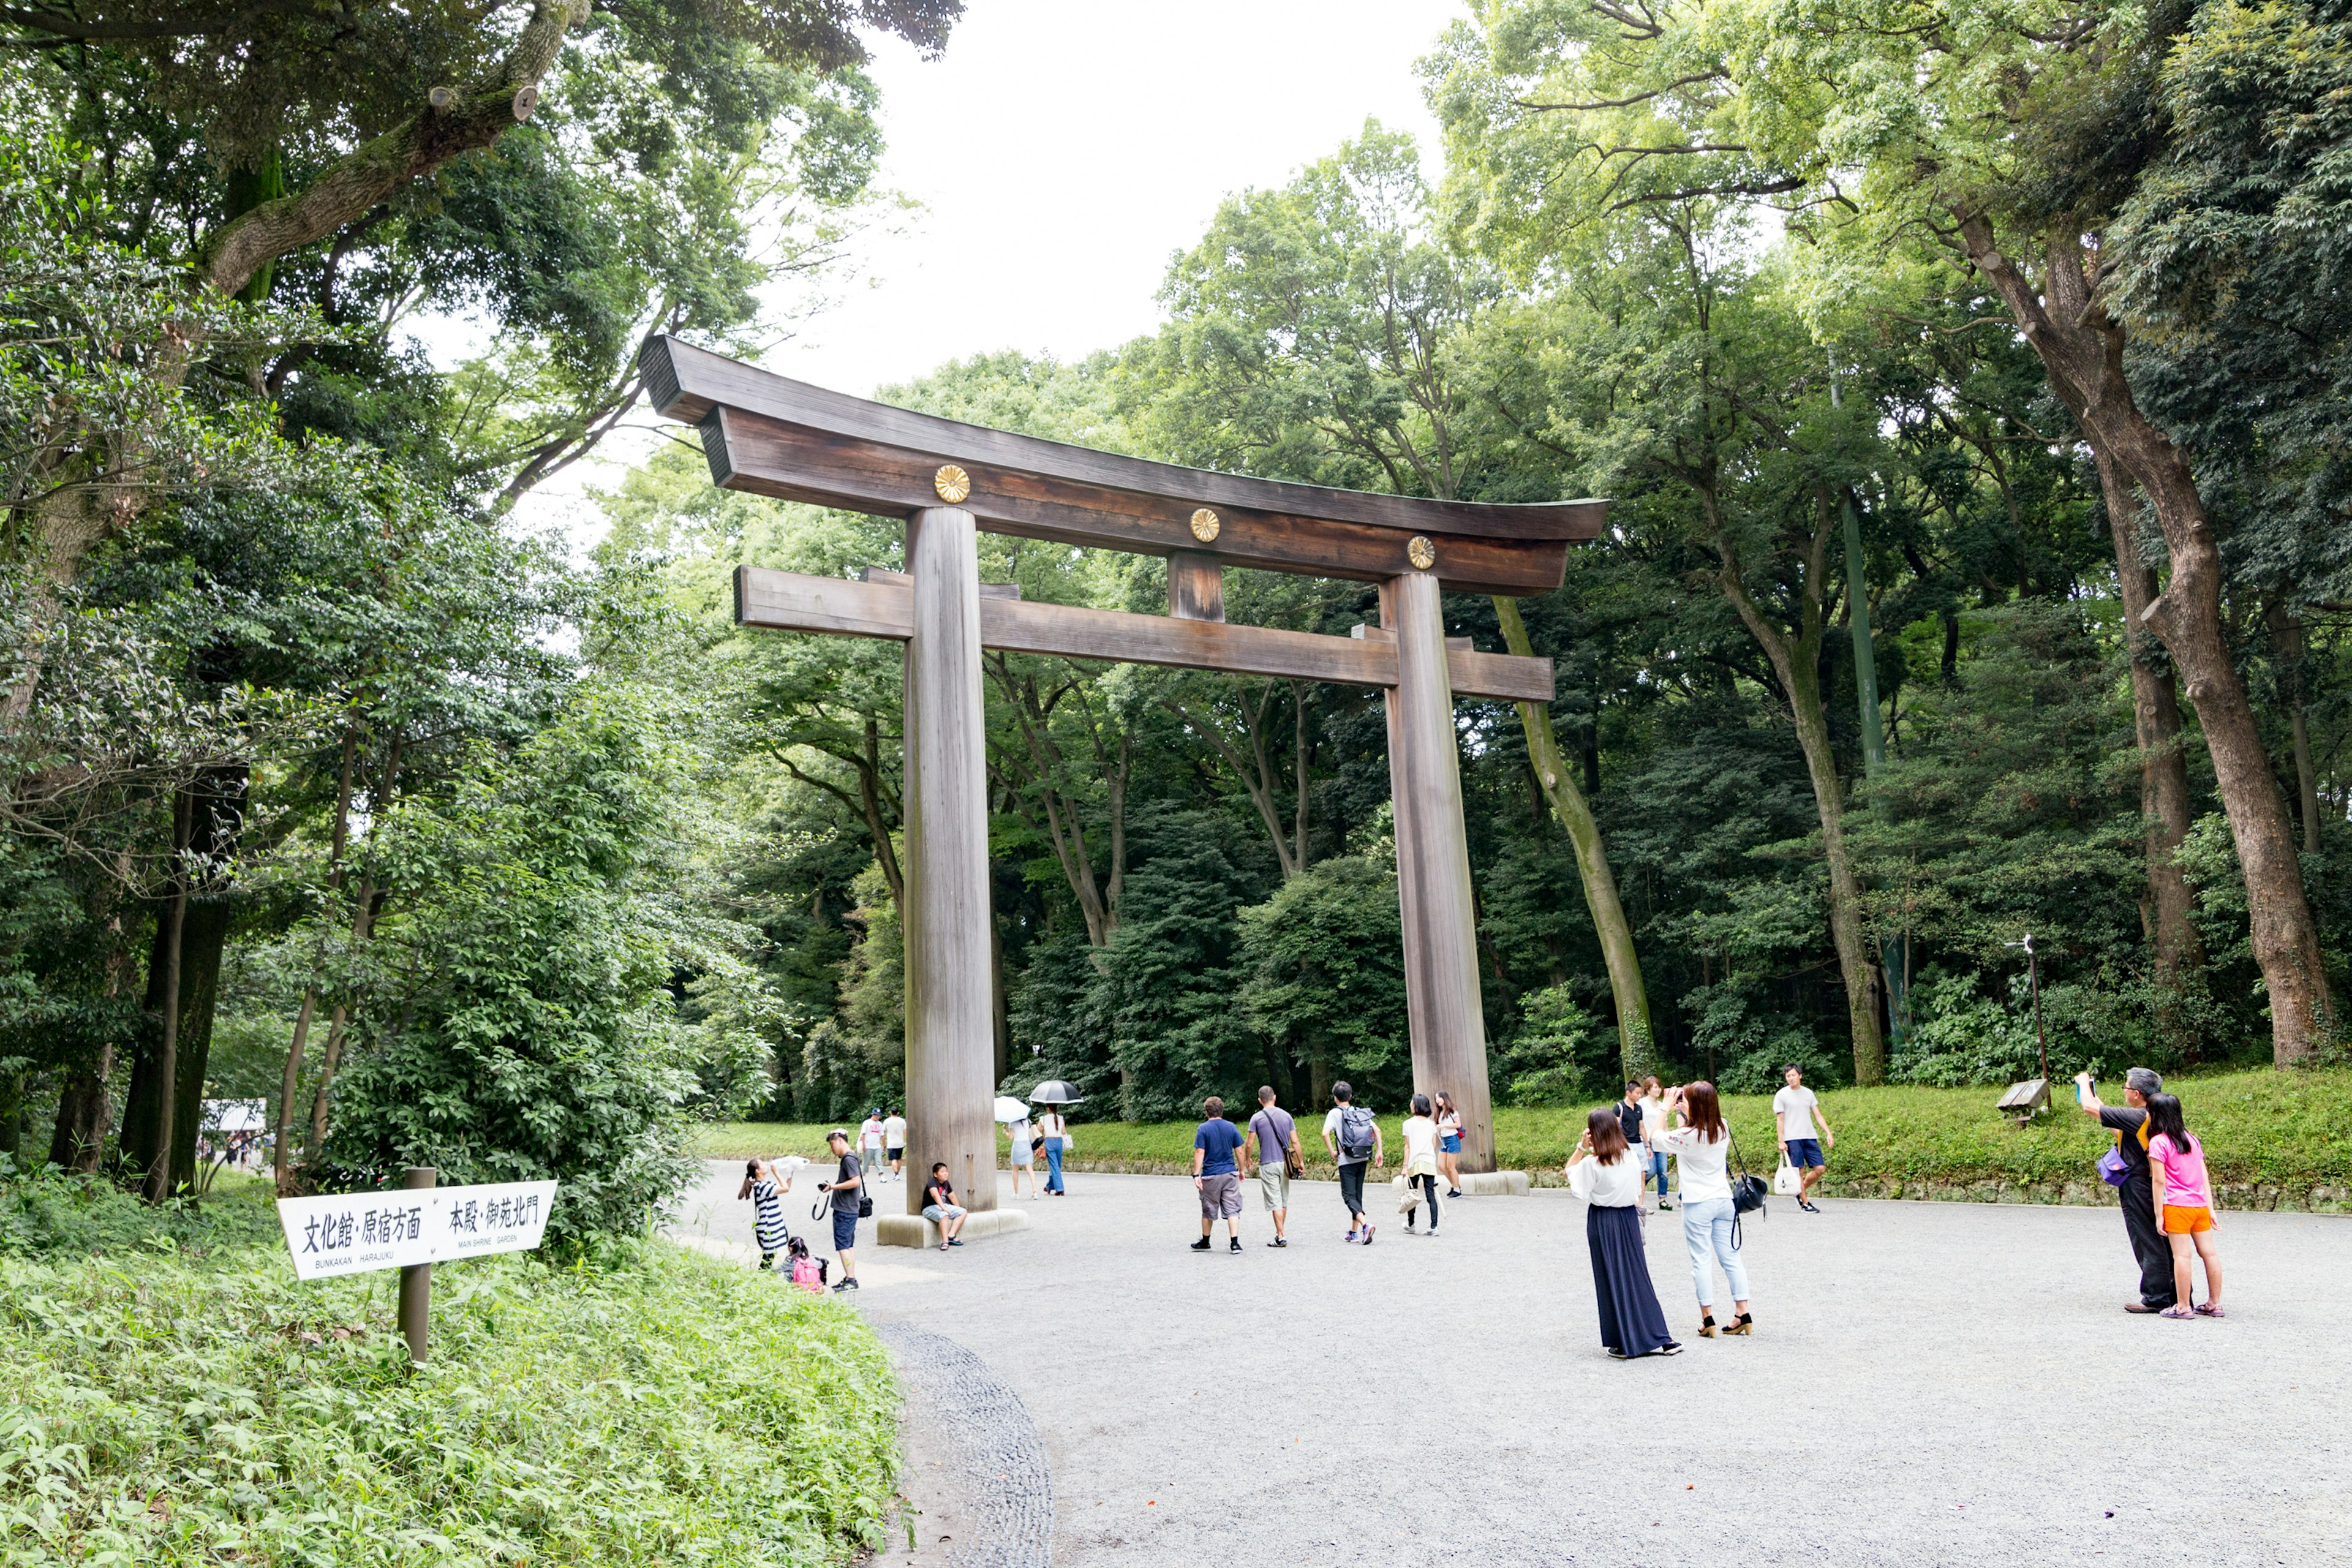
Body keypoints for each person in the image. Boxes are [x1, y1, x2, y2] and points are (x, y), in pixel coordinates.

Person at [1566, 1107, 1681, 1359]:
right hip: (1628, 1217)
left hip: (1603, 1220)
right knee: (1638, 1276)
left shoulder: (1592, 1164)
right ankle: (1662, 1337)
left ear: (1593, 1133)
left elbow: (1573, 1179)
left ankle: (1623, 1341)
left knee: (1611, 1279)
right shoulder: (1629, 1156)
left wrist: (1581, 1147)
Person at [1648, 1082, 1753, 1338]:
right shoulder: (1723, 1126)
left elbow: (1655, 1138)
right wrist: (1682, 1110)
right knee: (1731, 1258)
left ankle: (1708, 1319)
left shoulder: (1688, 1137)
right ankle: (1743, 1313)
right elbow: (1691, 1126)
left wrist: (1665, 1107)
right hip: (1724, 1201)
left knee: (1701, 1261)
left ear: (1695, 1104)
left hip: (1698, 1204)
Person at [2073, 1068, 2178, 1314]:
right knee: (2164, 1239)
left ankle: (2156, 1297)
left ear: (2137, 1094)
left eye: (2126, 1088)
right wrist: (2096, 1100)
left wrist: (2083, 1083)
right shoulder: (2154, 1114)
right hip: (2154, 1183)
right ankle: (2176, 1294)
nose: (2125, 1092)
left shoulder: (2139, 1116)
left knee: (2147, 1238)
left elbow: (2090, 1108)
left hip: (2140, 1185)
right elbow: (2111, 1121)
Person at [2144, 1093, 2223, 1319]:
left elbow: (2159, 1180)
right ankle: (2214, 1303)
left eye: (2149, 1112)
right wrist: (2210, 1208)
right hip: (2198, 1206)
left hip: (2176, 1206)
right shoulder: (2192, 1139)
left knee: (2182, 1256)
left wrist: (2159, 1214)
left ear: (2156, 1115)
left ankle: (2182, 1306)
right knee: (2209, 1254)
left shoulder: (2158, 1142)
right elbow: (2203, 1175)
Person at [1321, 1081, 1383, 1244]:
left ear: (1335, 1098)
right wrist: (1379, 1152)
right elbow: (1377, 1130)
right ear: (1351, 1096)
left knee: (1348, 1197)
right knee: (1357, 1195)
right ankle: (1354, 1233)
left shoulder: (1334, 1113)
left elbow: (1325, 1133)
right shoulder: (1359, 1112)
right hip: (1363, 1156)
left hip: (1346, 1160)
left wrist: (1333, 1152)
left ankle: (1366, 1225)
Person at [1773, 1065, 1834, 1212]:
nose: (1791, 1078)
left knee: (1820, 1168)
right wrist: (1781, 1140)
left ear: (1800, 1076)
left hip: (1809, 1136)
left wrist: (1828, 1133)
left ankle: (1800, 1190)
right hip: (1792, 1138)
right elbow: (1780, 1119)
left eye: (1793, 1075)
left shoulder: (1808, 1093)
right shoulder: (1782, 1095)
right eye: (1788, 1076)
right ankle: (1805, 1203)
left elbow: (1817, 1115)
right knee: (1798, 1171)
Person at [1191, 1096, 1248, 1252]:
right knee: (1233, 1208)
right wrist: (1241, 1170)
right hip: (1230, 1173)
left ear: (1206, 1112)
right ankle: (1235, 1243)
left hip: (1211, 1175)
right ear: (1222, 1110)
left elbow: (1200, 1151)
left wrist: (1196, 1174)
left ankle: (1206, 1241)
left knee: (1208, 1207)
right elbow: (1240, 1150)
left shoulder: (1203, 1129)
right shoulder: (1231, 1127)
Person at [1246, 1085, 1300, 1247]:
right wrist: (1301, 1162)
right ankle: (1280, 1234)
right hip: (1286, 1163)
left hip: (1268, 1163)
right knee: (1283, 1200)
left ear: (1259, 1100)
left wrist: (1247, 1160)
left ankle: (1281, 1236)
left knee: (1275, 1201)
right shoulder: (1286, 1116)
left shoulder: (1256, 1118)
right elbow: (1295, 1141)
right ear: (1274, 1097)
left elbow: (1249, 1144)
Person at [818, 1129, 864, 1291]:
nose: (832, 1149)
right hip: (849, 1208)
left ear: (840, 1141)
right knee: (849, 1245)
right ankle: (850, 1277)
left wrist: (833, 1187)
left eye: (832, 1145)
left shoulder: (849, 1159)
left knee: (843, 1245)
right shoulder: (850, 1157)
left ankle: (851, 1280)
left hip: (845, 1209)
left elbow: (855, 1181)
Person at [739, 1157, 793, 1270]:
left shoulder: (765, 1184)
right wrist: (776, 1172)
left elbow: (785, 1187)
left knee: (770, 1256)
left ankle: (763, 1278)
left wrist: (790, 1173)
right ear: (758, 1171)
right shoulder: (761, 1186)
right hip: (768, 1226)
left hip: (773, 1224)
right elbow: (785, 1189)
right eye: (762, 1164)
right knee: (768, 1258)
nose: (766, 1165)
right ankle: (761, 1278)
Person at [1400, 1093, 1442, 1235]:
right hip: (1429, 1161)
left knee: (1413, 1193)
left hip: (1414, 1161)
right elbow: (1434, 1144)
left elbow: (1408, 1147)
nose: (1410, 1105)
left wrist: (1405, 1166)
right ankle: (1434, 1226)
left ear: (1416, 1106)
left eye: (1412, 1103)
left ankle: (1411, 1224)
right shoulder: (1431, 1125)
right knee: (1430, 1194)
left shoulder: (1407, 1124)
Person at [1639, 1076, 1672, 1212]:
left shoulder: (1662, 1106)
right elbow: (1639, 1124)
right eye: (1655, 1087)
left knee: (1663, 1171)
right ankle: (1639, 1188)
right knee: (1651, 1171)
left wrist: (1669, 1143)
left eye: (1659, 1087)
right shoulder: (1641, 1104)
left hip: (1661, 1141)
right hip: (1646, 1142)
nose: (1658, 1089)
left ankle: (1662, 1199)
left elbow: (1665, 1125)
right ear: (1648, 1089)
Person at [921, 1163, 968, 1251]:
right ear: (935, 1174)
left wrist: (958, 1209)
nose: (945, 1173)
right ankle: (945, 1241)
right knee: (944, 1215)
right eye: (942, 1172)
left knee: (963, 1212)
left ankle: (951, 1235)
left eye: (946, 1171)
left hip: (942, 1206)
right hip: (929, 1207)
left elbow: (952, 1197)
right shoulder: (932, 1182)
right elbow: (935, 1195)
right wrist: (944, 1209)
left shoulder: (946, 1183)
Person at [1434, 1090, 1464, 1198]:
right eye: (1436, 1098)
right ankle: (1455, 1185)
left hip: (1453, 1139)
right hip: (1444, 1140)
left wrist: (1444, 1126)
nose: (1437, 1100)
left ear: (1445, 1098)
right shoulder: (1439, 1113)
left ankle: (1457, 1190)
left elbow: (1458, 1124)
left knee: (1451, 1167)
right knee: (1441, 1166)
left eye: (1439, 1097)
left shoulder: (1452, 1111)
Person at [1037, 1104, 1069, 1195]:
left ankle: (1060, 1188)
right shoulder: (1061, 1118)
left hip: (1050, 1142)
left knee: (1054, 1166)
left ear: (1048, 1108)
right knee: (1057, 1166)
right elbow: (1063, 1132)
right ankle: (1049, 1186)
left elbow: (1037, 1130)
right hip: (1059, 1142)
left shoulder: (1043, 1118)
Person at [1005, 1107, 1037, 1199]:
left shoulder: (1012, 1122)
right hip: (1027, 1145)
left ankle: (1017, 1193)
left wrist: (1005, 1131)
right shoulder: (1028, 1121)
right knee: (1030, 1169)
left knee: (1015, 1169)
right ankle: (1035, 1191)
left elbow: (1011, 1137)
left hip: (1018, 1146)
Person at [858, 1109, 888, 1180]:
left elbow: (882, 1136)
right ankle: (863, 1175)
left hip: (877, 1146)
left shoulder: (880, 1124)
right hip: (868, 1146)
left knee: (879, 1161)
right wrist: (864, 1145)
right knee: (866, 1162)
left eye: (879, 1116)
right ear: (872, 1115)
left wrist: (884, 1145)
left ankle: (881, 1175)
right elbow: (863, 1134)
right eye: (876, 1115)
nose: (877, 1117)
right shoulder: (867, 1123)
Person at [883, 1108, 908, 1182]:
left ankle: (896, 1173)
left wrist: (883, 1143)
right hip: (900, 1143)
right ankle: (897, 1174)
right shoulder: (902, 1121)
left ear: (890, 1112)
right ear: (898, 1113)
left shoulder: (887, 1121)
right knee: (899, 1159)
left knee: (893, 1159)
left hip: (891, 1144)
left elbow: (883, 1132)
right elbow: (905, 1132)